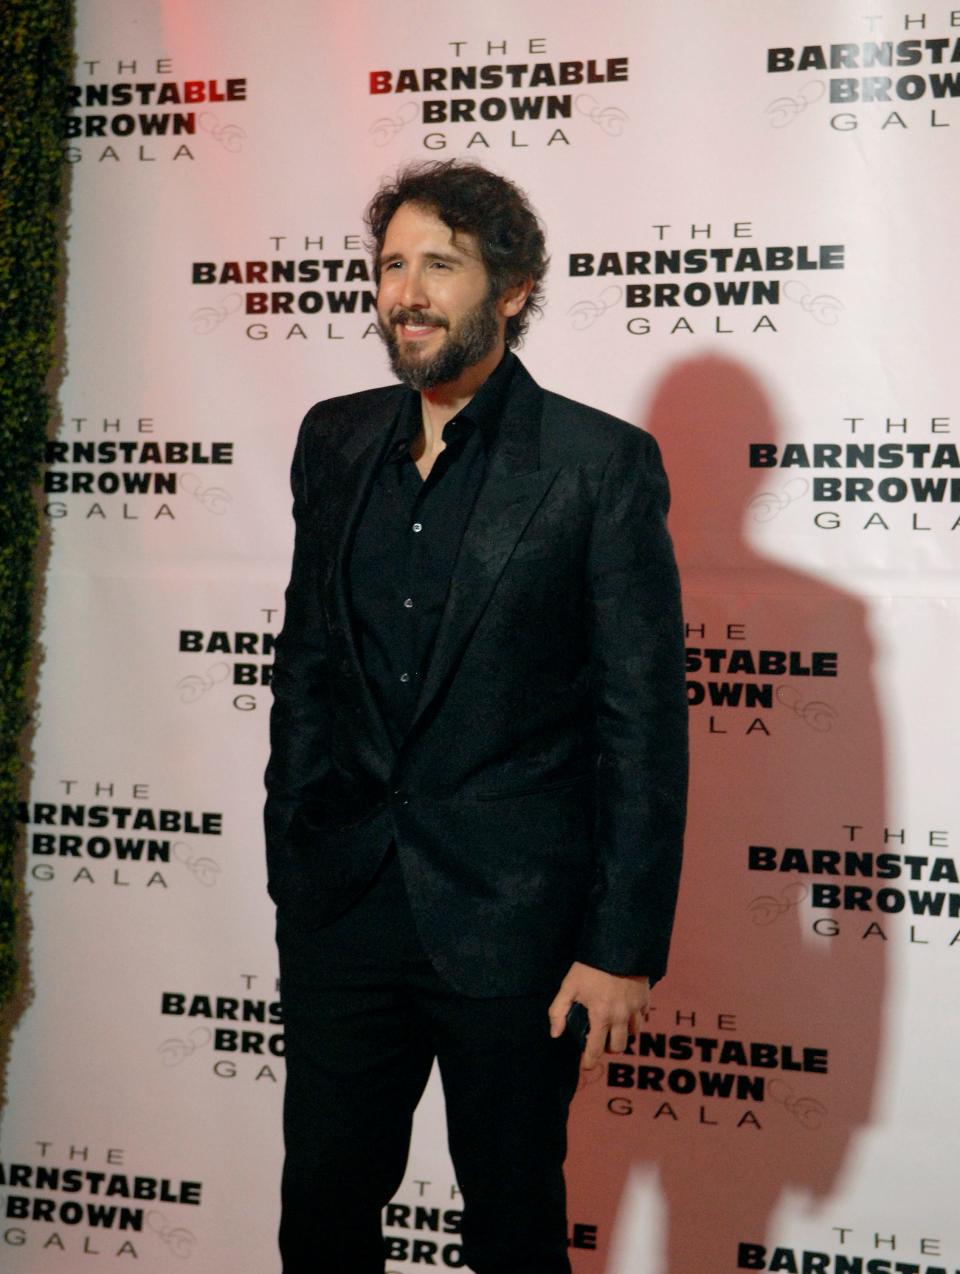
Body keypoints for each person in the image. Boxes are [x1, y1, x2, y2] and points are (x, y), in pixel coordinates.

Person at [264, 158, 688, 1274]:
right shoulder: (334, 438)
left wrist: (619, 946)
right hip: (343, 907)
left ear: (511, 289)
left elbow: (641, 718)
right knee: (320, 1216)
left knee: (510, 1227)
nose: (406, 290)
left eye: (439, 265)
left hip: (515, 926)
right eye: (392, 263)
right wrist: (292, 862)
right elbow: (306, 664)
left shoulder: (598, 466)